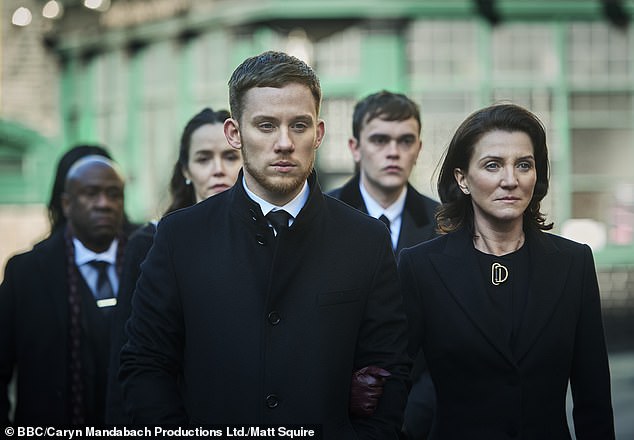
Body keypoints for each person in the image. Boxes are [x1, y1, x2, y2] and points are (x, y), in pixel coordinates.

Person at [119, 50, 410, 437]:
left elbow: (390, 368)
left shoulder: (366, 239)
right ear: (234, 133)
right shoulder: (180, 237)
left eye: (300, 126)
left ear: (319, 133)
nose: (285, 142)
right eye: (266, 125)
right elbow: (146, 365)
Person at [399, 103, 615, 439]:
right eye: (493, 165)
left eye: (524, 165)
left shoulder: (574, 263)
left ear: (536, 175)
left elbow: (594, 399)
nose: (510, 180)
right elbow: (392, 385)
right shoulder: (420, 267)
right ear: (463, 179)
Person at [105, 106, 241, 424]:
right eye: (204, 158)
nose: (217, 169)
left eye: (230, 157)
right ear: (186, 169)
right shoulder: (150, 242)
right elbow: (127, 358)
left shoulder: (270, 237)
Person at [329, 91, 439, 438]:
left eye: (405, 140)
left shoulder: (446, 225)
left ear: (418, 148)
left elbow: (452, 339)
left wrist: (413, 415)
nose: (394, 151)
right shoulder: (319, 219)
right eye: (380, 140)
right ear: (355, 147)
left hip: (423, 416)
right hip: (337, 416)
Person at [1, 155, 130, 426]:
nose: (104, 204)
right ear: (67, 204)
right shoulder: (25, 273)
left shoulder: (150, 261)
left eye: (113, 194)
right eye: (91, 193)